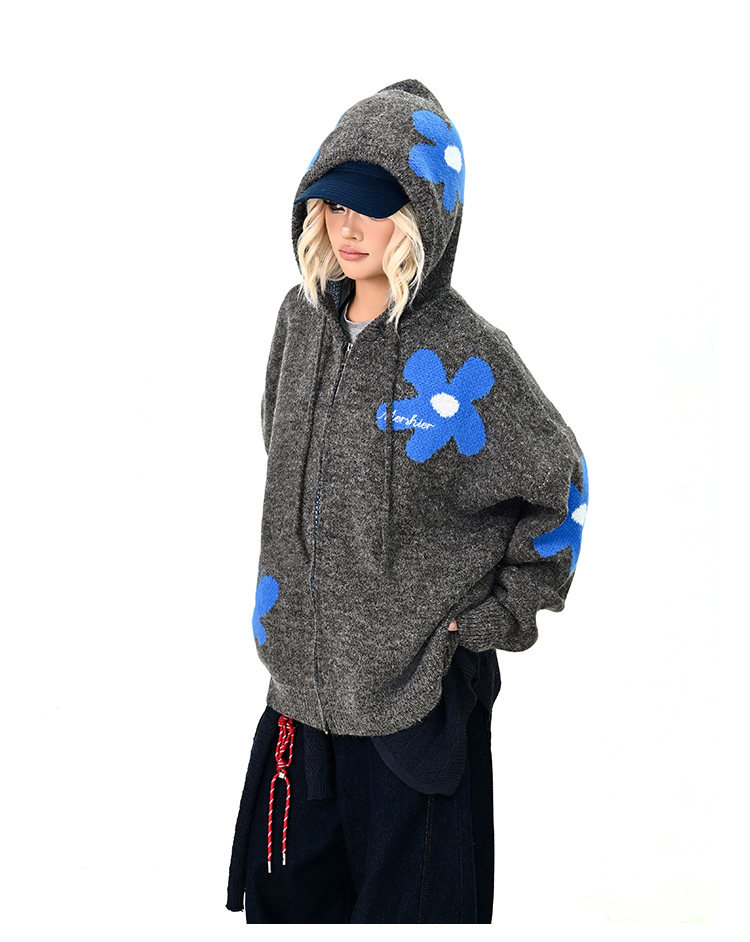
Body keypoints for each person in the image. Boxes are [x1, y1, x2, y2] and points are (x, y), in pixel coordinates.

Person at [226, 78, 589, 924]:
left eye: (373, 207)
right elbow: (286, 453)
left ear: (423, 214)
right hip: (300, 702)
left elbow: (561, 486)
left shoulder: (467, 353)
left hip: (414, 708)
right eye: (333, 204)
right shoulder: (299, 323)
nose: (346, 227)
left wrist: (490, 620)